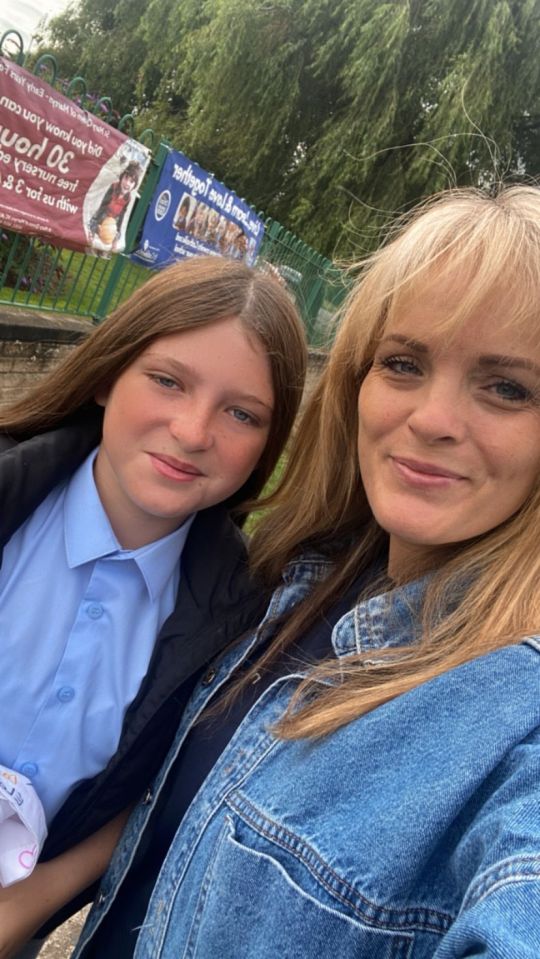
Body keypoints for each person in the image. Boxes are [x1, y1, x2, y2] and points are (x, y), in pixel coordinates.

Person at [6, 184, 540, 958]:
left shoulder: (514, 713)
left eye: (507, 387)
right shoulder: (291, 586)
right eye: (403, 362)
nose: (431, 419)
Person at [0, 254, 307, 956]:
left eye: (241, 412)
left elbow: (161, 791)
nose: (194, 431)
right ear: (108, 373)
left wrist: (25, 910)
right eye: (168, 381)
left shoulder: (245, 622)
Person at [87, 160, 142, 252]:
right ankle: (92, 235)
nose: (127, 183)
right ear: (121, 178)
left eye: (131, 181)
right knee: (94, 224)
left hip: (113, 220)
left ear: (134, 185)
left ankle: (112, 242)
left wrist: (118, 230)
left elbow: (122, 215)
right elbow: (103, 205)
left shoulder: (127, 198)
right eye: (126, 178)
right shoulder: (113, 187)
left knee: (117, 233)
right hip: (104, 215)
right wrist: (97, 220)